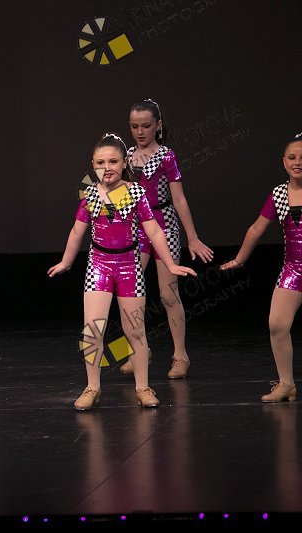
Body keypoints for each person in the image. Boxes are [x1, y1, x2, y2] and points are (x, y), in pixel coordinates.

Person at [49, 133, 196, 411]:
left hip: (130, 267)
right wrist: (66, 262)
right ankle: (92, 387)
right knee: (92, 331)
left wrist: (170, 264)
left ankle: (143, 387)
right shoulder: (90, 194)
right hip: (99, 266)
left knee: (135, 330)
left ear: (124, 162)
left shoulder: (135, 192)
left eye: (113, 162)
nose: (107, 168)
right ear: (93, 165)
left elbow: (154, 231)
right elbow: (77, 232)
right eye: (101, 163)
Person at [121, 98, 214, 379]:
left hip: (164, 227)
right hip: (137, 228)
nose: (140, 132)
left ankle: (180, 356)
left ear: (158, 125)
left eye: (146, 126)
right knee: (130, 293)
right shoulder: (127, 156)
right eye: (134, 126)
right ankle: (139, 351)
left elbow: (179, 199)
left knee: (168, 294)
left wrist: (192, 238)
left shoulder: (166, 156)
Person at [221, 133, 302, 403]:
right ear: (283, 162)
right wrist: (240, 259)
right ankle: (286, 383)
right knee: (277, 324)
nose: (298, 162)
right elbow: (256, 229)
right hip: (294, 269)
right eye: (292, 157)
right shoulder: (279, 194)